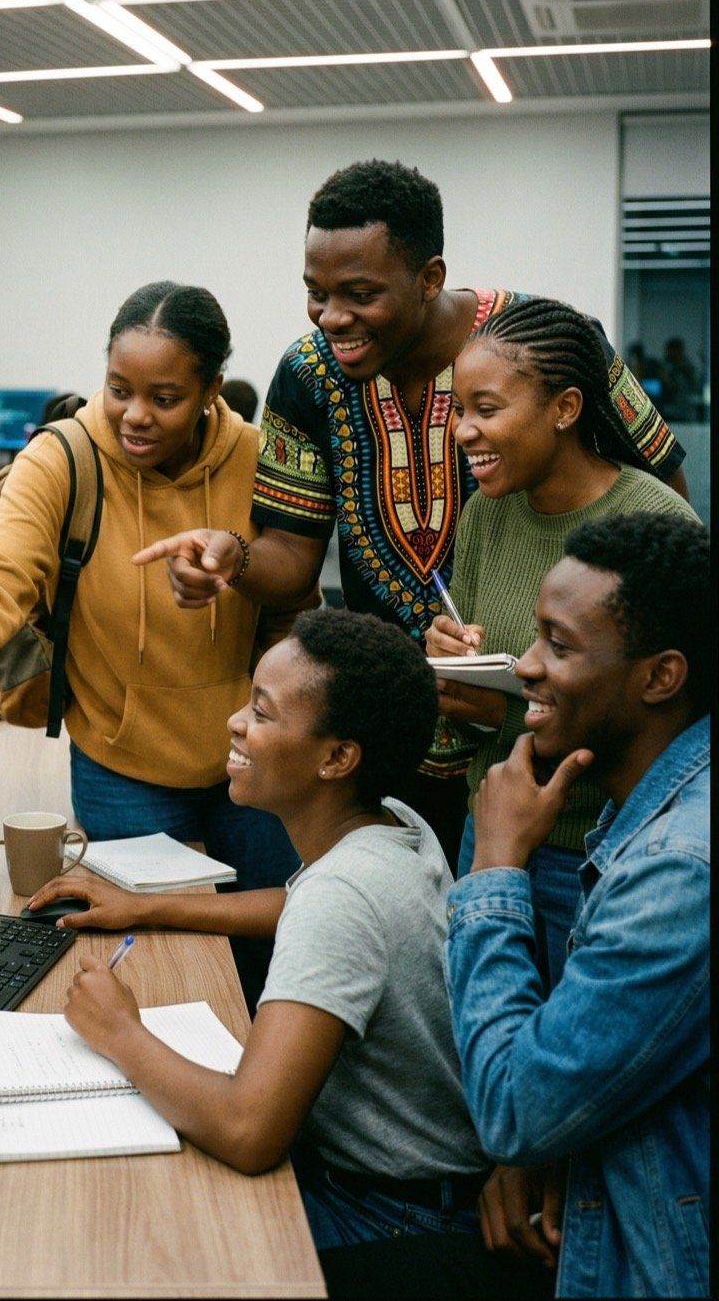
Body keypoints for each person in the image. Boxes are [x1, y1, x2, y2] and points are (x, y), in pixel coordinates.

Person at [134, 159, 687, 869]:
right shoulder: (306, 375)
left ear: (429, 278)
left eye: (360, 293)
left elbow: (660, 493)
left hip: (540, 741)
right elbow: (292, 557)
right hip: (382, 735)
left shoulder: (543, 342)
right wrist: (231, 557)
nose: (333, 316)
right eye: (316, 293)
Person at [0, 282, 302, 1003]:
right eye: (119, 389)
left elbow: (295, 585)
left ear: (211, 388)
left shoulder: (256, 455)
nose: (134, 416)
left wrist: (232, 563)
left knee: (271, 970)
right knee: (160, 980)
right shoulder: (66, 458)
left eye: (165, 397)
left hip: (254, 768)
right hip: (125, 772)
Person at [29, 607, 491, 1251]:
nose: (235, 723)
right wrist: (148, 907)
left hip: (388, 1218)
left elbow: (249, 1134)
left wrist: (120, 1033)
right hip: (425, 1188)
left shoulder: (344, 893)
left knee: (118, 1232)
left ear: (336, 758)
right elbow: (298, 903)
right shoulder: (391, 825)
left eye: (263, 714)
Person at [444, 512, 710, 1298]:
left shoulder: (678, 873)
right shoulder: (654, 812)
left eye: (558, 645)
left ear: (660, 677)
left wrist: (495, 866)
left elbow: (514, 1107)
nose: (525, 666)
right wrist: (564, 1151)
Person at [423, 297, 698, 985]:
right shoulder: (485, 514)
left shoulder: (654, 521)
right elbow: (500, 687)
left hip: (604, 854)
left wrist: (508, 710)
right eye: (459, 410)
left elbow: (683, 713)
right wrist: (457, 670)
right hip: (492, 833)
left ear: (566, 408)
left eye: (486, 408)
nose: (463, 431)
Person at [659, 334, 701, 422]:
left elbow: (696, 387)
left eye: (671, 350)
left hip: (684, 412)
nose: (667, 353)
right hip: (668, 411)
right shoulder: (664, 366)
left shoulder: (688, 367)